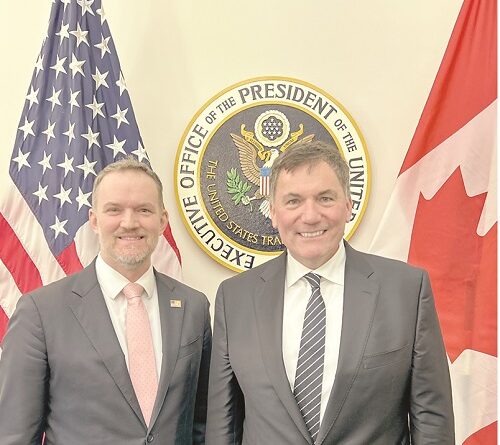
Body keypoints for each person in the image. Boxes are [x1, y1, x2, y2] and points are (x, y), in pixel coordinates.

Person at [206, 140, 454, 444]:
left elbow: (432, 419)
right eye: (293, 201)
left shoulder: (406, 290)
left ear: (348, 206)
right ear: (273, 212)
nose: (310, 216)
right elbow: (223, 426)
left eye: (325, 198)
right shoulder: (234, 298)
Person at [0, 157, 211, 444]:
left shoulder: (194, 306)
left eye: (144, 210)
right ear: (94, 220)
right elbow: (16, 434)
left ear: (162, 221)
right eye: (114, 210)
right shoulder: (40, 312)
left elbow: (202, 422)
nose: (129, 223)